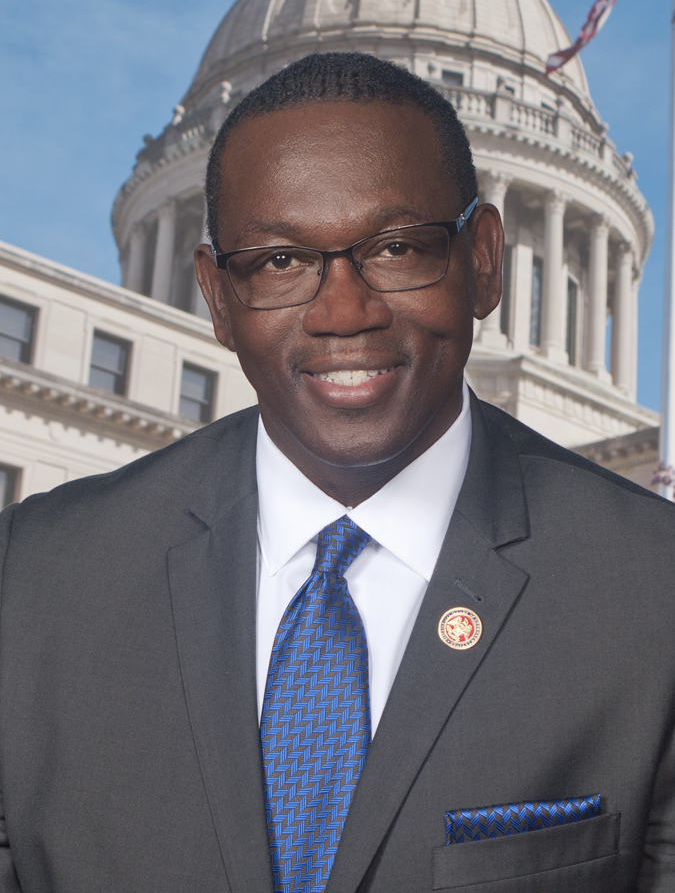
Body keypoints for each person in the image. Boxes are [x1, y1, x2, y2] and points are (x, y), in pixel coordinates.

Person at [0, 51, 674, 893]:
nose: (342, 312)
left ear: (486, 262)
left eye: (397, 247)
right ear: (214, 294)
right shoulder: (30, 579)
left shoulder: (654, 587)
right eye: (279, 260)